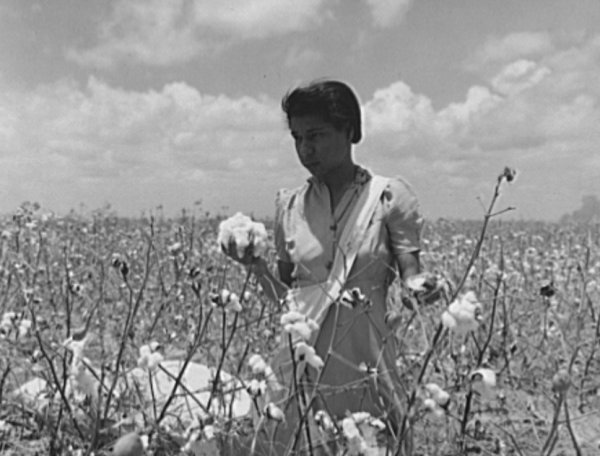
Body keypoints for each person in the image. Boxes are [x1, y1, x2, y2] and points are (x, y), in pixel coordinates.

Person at [225, 79, 423, 454]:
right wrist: (254, 267)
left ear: (350, 130)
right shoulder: (290, 207)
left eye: (315, 135)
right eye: (297, 138)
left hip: (365, 367)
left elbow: (413, 280)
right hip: (300, 370)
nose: (305, 149)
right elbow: (287, 303)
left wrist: (424, 290)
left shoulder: (388, 198)